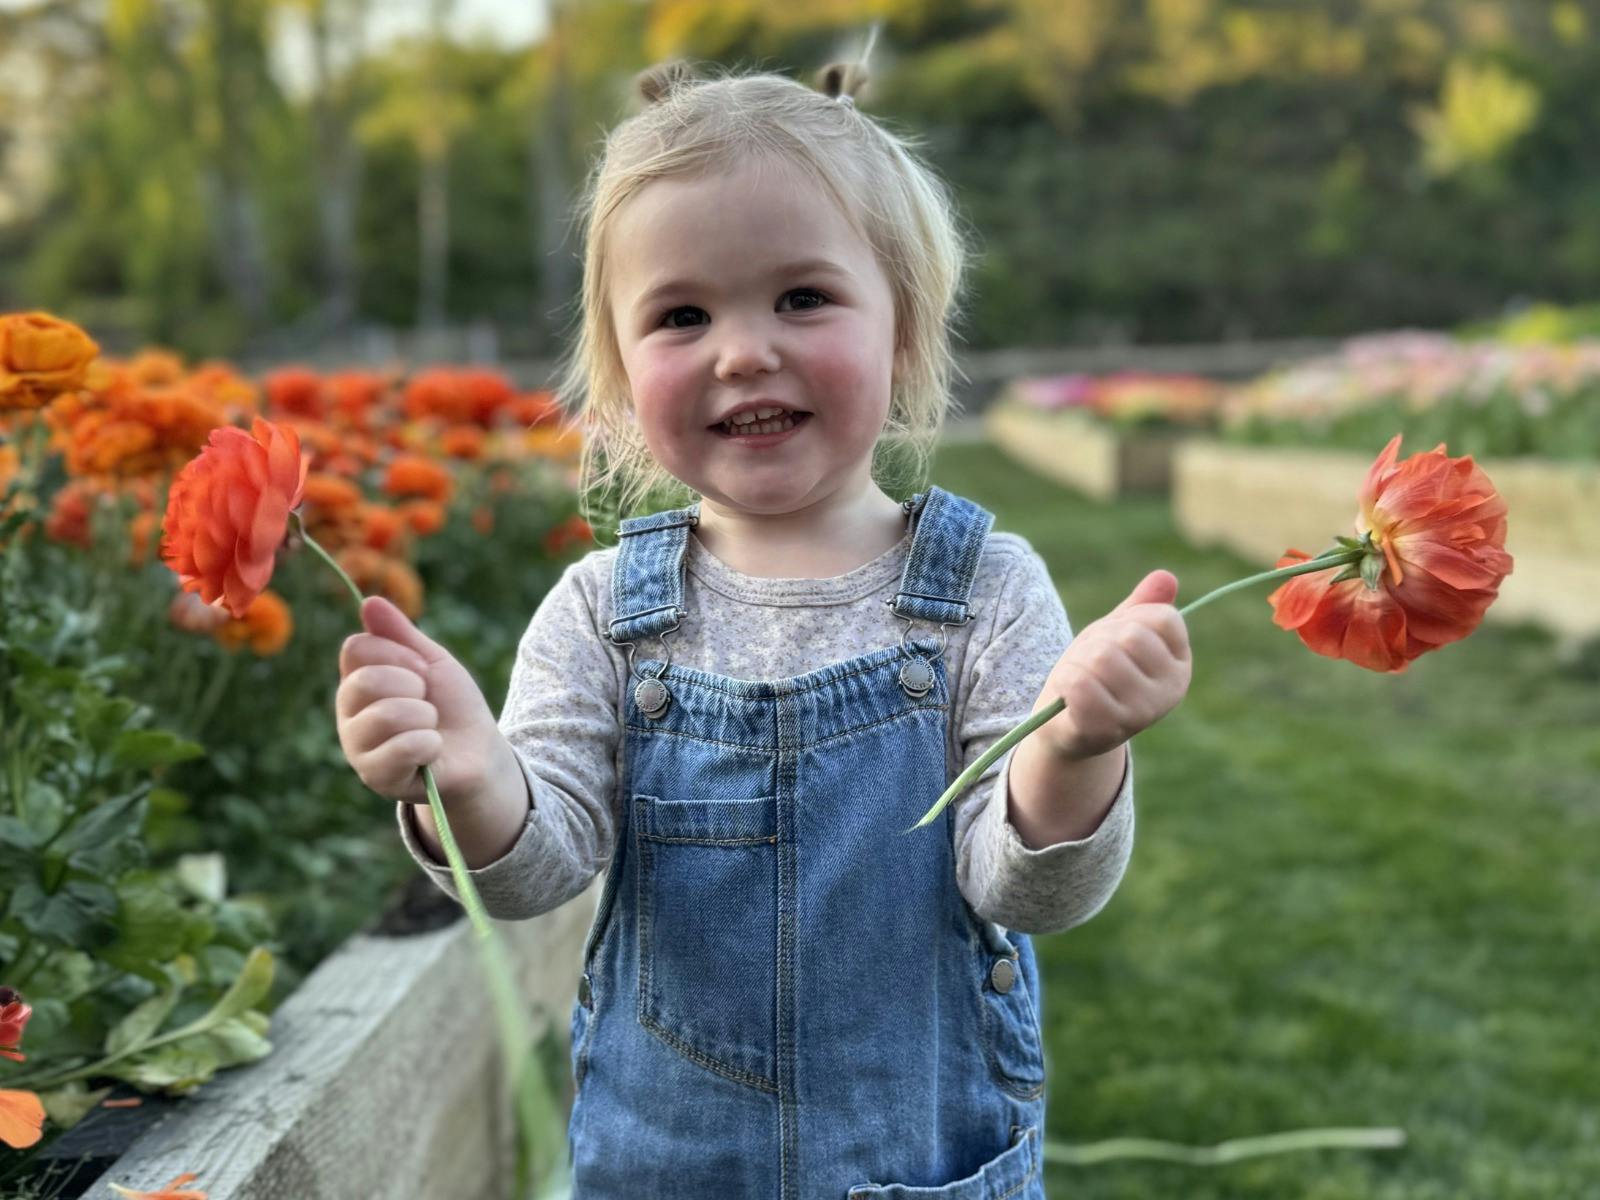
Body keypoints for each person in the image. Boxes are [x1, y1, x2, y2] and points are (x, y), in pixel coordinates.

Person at [334, 56, 1191, 1199]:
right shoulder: (604, 615)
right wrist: (473, 776)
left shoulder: (986, 588)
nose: (743, 349)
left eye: (802, 298)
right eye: (682, 314)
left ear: (901, 328)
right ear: (621, 376)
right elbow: (537, 871)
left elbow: (1022, 890)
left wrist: (1074, 748)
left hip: (924, 1162)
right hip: (665, 1168)